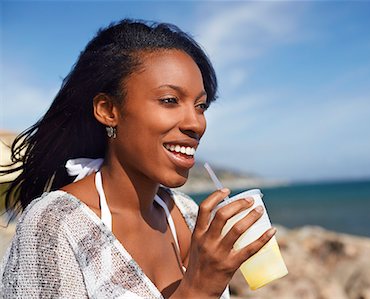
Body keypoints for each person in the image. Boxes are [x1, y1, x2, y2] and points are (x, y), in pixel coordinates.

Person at [0, 19, 276, 298]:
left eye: (200, 105)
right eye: (170, 100)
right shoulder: (56, 224)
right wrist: (197, 290)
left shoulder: (188, 214)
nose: (196, 123)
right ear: (108, 110)